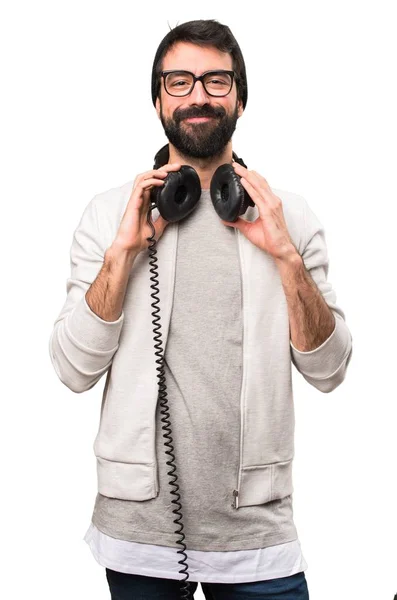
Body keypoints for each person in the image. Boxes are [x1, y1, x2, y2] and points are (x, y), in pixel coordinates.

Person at [49, 18, 353, 600]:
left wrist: (285, 253)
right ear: (158, 98)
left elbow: (330, 371)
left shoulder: (290, 214)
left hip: (258, 536)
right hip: (137, 532)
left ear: (241, 96)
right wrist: (123, 251)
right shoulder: (108, 214)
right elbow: (71, 369)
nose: (197, 96)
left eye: (216, 81)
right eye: (180, 81)